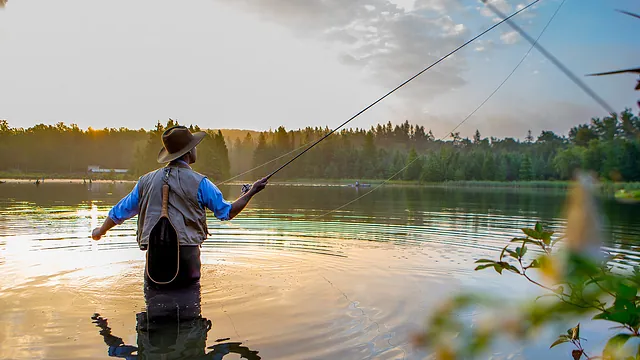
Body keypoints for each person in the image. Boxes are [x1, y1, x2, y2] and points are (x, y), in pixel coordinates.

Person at [91, 125, 268, 286]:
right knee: (189, 311)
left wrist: (100, 231)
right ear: (189, 152)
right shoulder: (201, 183)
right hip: (187, 263)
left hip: (154, 263)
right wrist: (251, 192)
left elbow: (118, 213)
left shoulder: (145, 182)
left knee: (153, 310)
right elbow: (227, 212)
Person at [91, 281, 261, 359]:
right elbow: (225, 348)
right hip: (185, 316)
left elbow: (115, 349)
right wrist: (246, 353)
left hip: (161, 316)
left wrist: (103, 327)